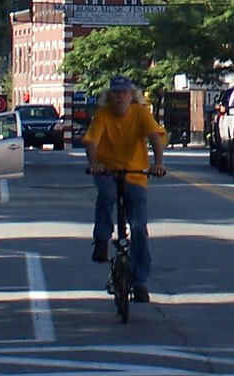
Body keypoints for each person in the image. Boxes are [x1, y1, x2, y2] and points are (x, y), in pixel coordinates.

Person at [82, 76, 167, 304]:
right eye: (116, 93)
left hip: (135, 172)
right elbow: (91, 141)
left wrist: (158, 163)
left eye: (124, 93)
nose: (120, 97)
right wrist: (94, 163)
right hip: (107, 169)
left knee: (139, 227)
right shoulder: (102, 115)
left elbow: (155, 137)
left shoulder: (141, 113)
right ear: (109, 96)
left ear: (132, 95)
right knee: (107, 194)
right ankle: (101, 240)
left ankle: (139, 282)